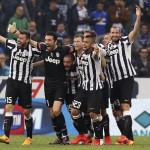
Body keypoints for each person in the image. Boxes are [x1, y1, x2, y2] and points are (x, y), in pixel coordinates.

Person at [0, 30, 42, 145]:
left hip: (25, 84)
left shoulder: (33, 50)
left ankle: (29, 138)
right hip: (12, 82)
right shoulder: (13, 44)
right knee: (9, 107)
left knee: (26, 111)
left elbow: (45, 51)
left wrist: (35, 64)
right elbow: (2, 38)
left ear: (28, 40)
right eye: (18, 37)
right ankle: (6, 136)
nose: (19, 39)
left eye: (22, 38)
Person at [108, 5, 141, 145]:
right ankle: (127, 137)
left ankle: (126, 138)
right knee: (116, 112)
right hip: (113, 81)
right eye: (112, 33)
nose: (115, 35)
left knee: (125, 106)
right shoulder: (108, 46)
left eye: (117, 33)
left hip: (126, 78)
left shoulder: (125, 41)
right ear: (110, 34)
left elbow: (134, 31)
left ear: (120, 34)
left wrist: (138, 17)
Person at [31, 31, 71, 144]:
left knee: (56, 109)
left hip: (60, 84)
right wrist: (33, 65)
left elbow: (76, 49)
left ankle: (66, 137)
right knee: (52, 113)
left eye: (49, 40)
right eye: (46, 40)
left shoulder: (63, 50)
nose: (47, 42)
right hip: (48, 85)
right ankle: (60, 137)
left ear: (55, 41)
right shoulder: (44, 48)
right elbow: (31, 41)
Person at [71, 30, 106, 146]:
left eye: (86, 42)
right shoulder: (82, 54)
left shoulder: (94, 53)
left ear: (91, 44)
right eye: (83, 41)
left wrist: (97, 51)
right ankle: (84, 134)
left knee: (92, 114)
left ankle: (99, 138)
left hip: (94, 89)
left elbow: (96, 56)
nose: (83, 44)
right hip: (83, 88)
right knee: (74, 111)